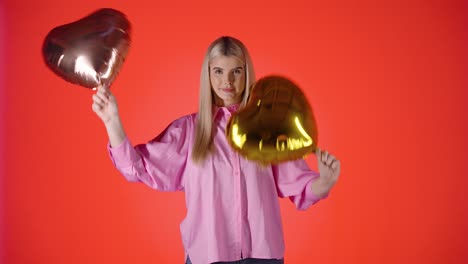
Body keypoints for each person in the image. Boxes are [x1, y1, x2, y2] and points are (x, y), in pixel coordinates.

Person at [91, 36, 341, 264]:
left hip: (263, 257)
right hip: (208, 256)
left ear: (247, 74)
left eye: (236, 72)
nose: (227, 82)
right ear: (207, 74)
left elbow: (299, 186)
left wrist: (325, 182)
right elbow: (137, 168)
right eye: (218, 71)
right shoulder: (188, 131)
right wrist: (112, 120)